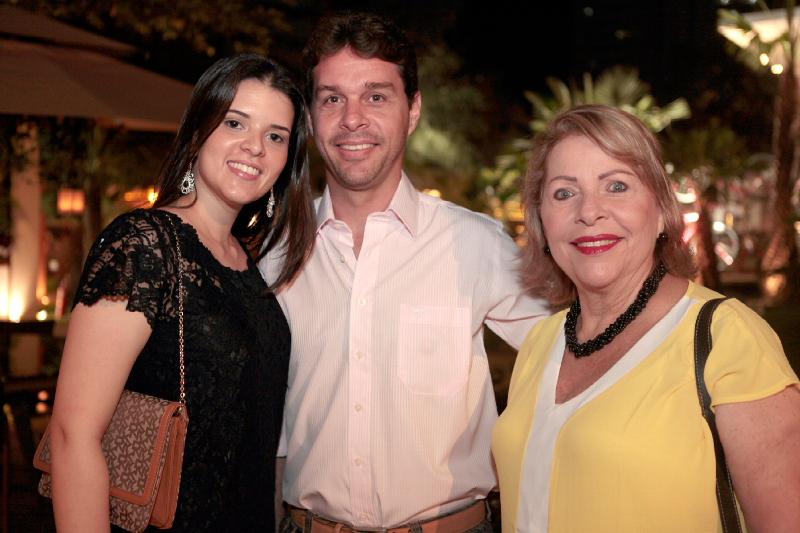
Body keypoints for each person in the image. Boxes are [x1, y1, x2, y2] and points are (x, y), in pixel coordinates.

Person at [259, 11, 549, 533]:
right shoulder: (275, 257)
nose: (352, 119)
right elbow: (271, 419)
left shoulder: (476, 244)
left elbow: (571, 360)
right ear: (310, 115)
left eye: (376, 96)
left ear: (412, 110)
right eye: (332, 99)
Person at [492, 104, 800, 532]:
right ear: (541, 220)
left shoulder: (727, 338)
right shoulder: (540, 342)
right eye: (564, 193)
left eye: (616, 186)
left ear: (660, 211)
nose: (589, 211)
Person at [47, 53, 315, 532]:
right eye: (235, 123)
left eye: (275, 136)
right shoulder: (143, 244)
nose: (255, 147)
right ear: (198, 131)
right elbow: (73, 434)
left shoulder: (246, 261)